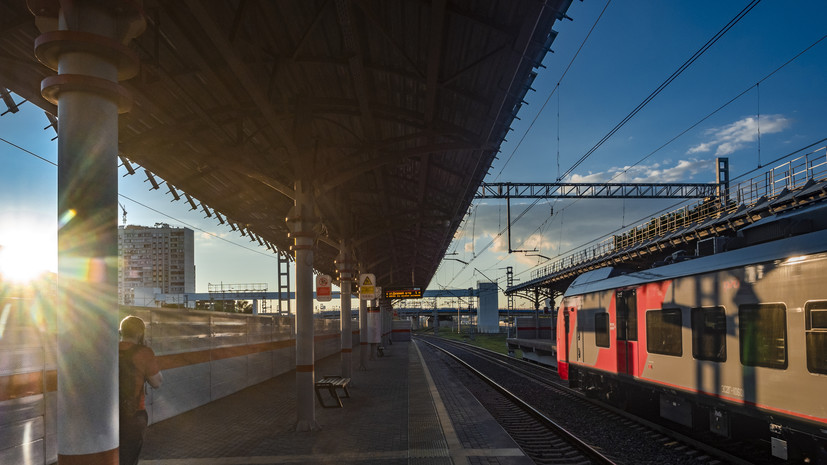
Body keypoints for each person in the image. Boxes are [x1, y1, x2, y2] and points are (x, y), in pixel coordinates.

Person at [119, 316, 162, 465]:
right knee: (128, 458)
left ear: (121, 331)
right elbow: (157, 382)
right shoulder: (144, 352)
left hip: (108, 415)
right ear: (140, 333)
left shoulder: (110, 350)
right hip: (134, 414)